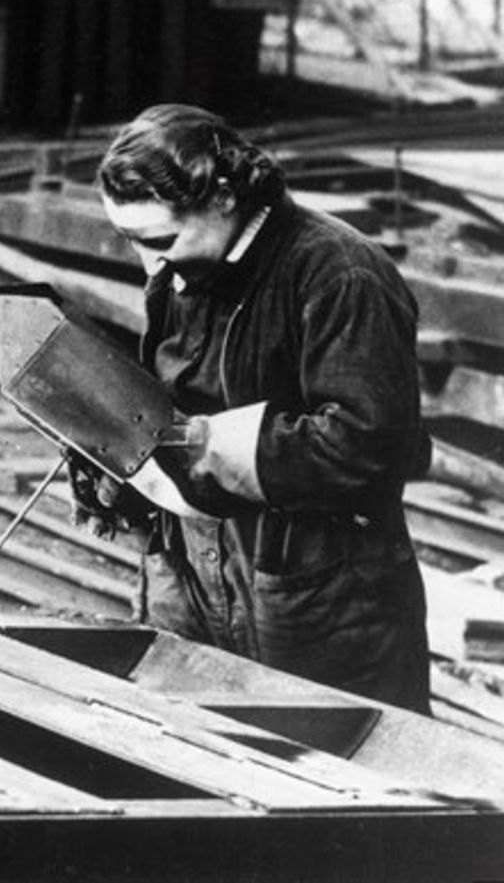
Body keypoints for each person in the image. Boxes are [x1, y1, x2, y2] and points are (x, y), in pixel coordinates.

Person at [82, 103, 432, 711]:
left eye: (161, 240)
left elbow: (367, 442)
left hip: (316, 595)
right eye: (133, 242)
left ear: (222, 199)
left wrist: (197, 448)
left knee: (335, 774)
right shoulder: (182, 268)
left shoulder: (340, 274)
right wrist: (114, 451)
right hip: (193, 574)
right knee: (191, 764)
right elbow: (171, 400)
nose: (152, 264)